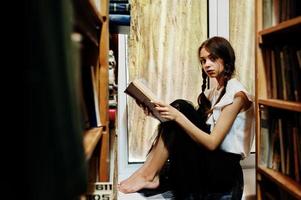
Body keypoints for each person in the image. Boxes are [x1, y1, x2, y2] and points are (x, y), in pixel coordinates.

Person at [118, 36, 255, 199]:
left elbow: (211, 143)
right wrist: (156, 113)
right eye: (203, 61)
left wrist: (176, 115)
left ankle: (149, 176)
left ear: (226, 58)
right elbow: (185, 130)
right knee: (179, 111)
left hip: (225, 171)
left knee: (180, 107)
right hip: (212, 164)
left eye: (212, 58)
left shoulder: (237, 95)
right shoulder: (213, 93)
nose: (207, 65)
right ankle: (148, 174)